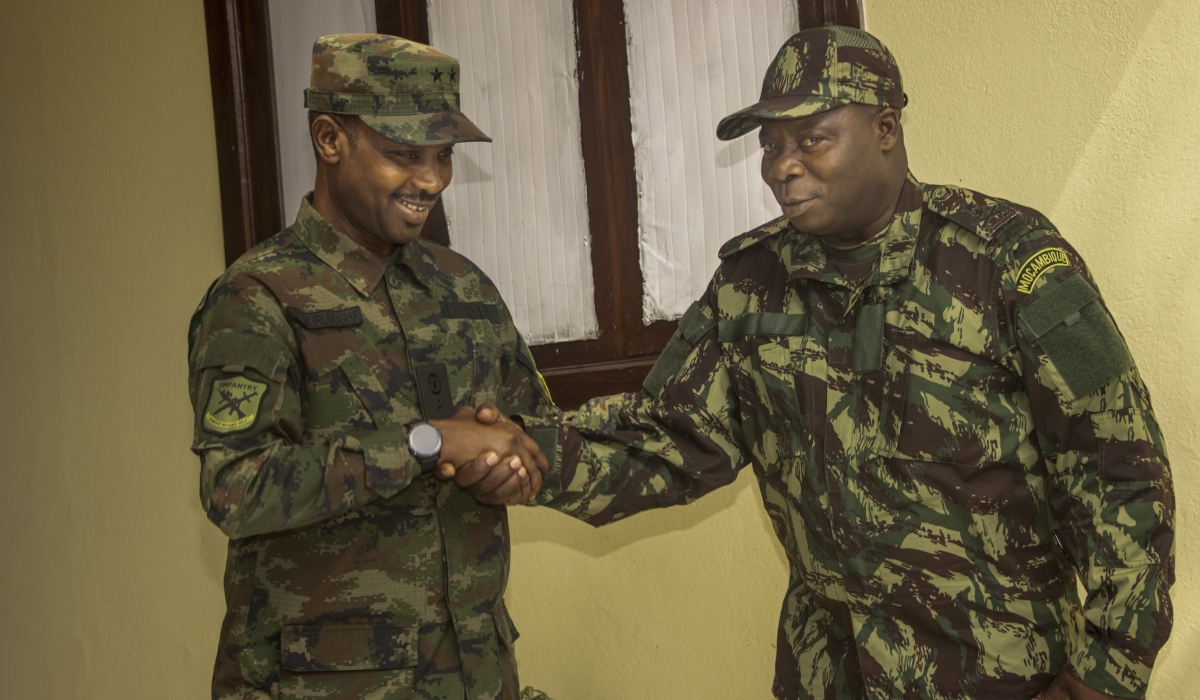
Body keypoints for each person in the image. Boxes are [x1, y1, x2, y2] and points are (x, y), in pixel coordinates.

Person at [474, 25, 1174, 700]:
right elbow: (671, 439)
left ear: (886, 130)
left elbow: (1118, 466)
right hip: (829, 676)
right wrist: (531, 453)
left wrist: (1108, 672)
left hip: (999, 676)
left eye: (812, 139)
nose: (783, 165)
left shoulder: (1011, 262)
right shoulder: (751, 284)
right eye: (771, 145)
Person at [187, 34, 554, 700]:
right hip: (325, 683)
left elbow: (530, 430)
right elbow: (234, 488)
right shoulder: (257, 298)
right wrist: (427, 442)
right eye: (404, 155)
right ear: (330, 139)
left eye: (442, 158)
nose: (431, 180)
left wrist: (510, 468)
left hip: (473, 674)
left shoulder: (462, 287)